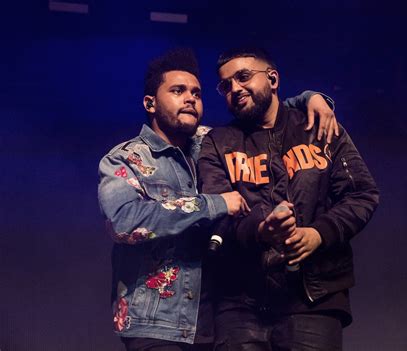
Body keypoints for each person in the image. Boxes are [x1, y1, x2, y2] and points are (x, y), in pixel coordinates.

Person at [98, 48, 339, 351]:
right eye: (178, 91)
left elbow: (264, 112)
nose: (190, 98)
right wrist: (217, 203)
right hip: (158, 325)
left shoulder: (211, 142)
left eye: (197, 93)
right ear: (150, 103)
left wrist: (310, 98)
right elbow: (125, 222)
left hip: (216, 321)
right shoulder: (124, 158)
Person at [198, 47, 379, 351]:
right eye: (225, 85)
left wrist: (317, 234)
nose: (235, 89)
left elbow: (362, 193)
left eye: (243, 77)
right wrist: (258, 229)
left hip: (314, 298)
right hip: (240, 303)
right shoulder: (217, 142)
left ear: (273, 78)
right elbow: (215, 212)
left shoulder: (318, 126)